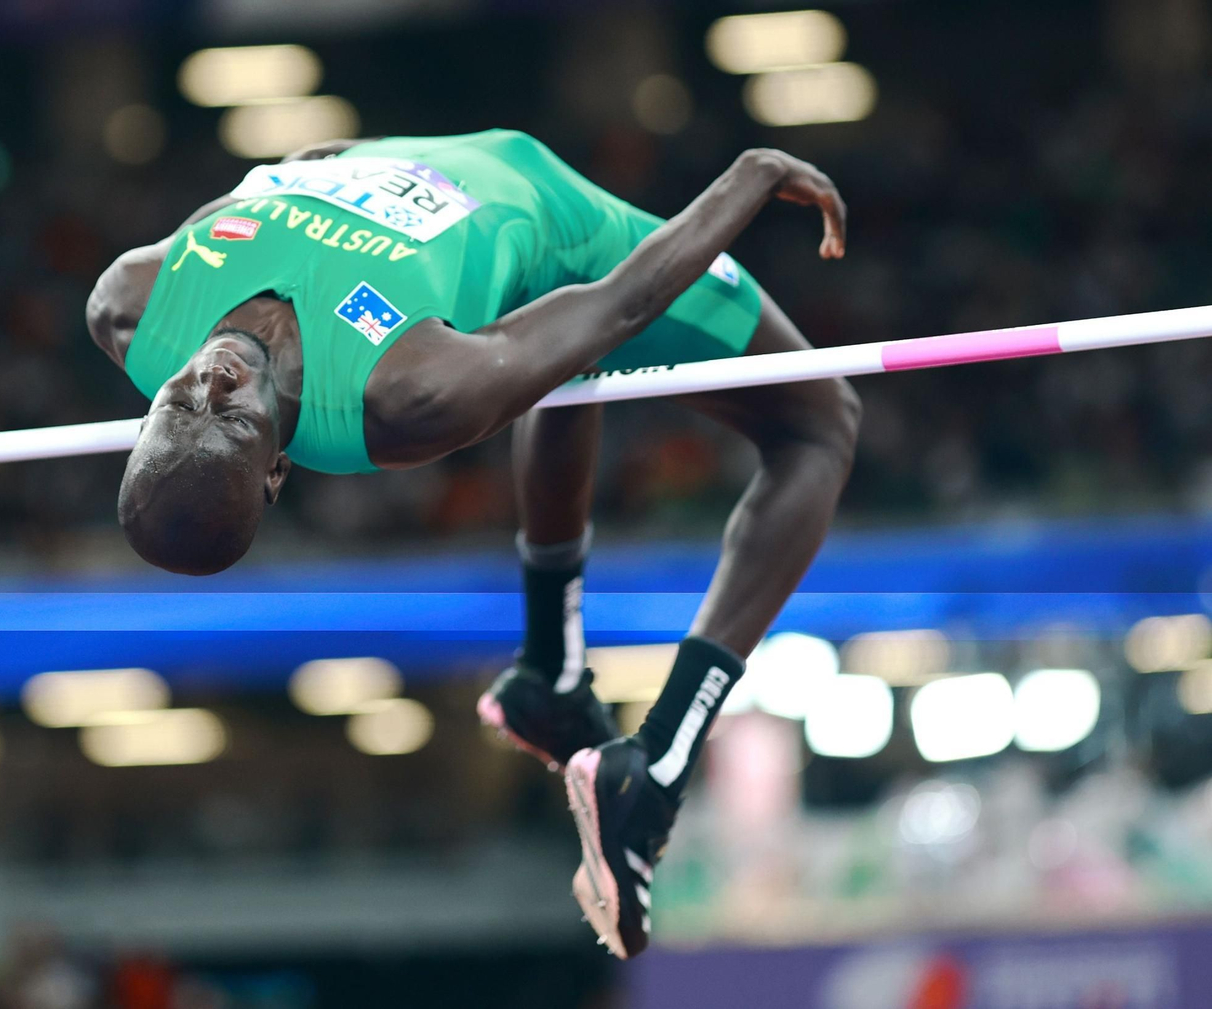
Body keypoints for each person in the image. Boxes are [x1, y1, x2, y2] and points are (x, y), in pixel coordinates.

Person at [86, 130, 860, 959]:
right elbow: (618, 306)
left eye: (179, 403)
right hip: (570, 226)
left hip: (420, 159)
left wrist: (324, 170)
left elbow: (243, 210)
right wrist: (751, 176)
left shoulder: (132, 306)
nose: (211, 380)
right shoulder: (407, 387)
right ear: (277, 468)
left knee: (545, 368)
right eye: (230, 415)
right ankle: (658, 766)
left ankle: (549, 678)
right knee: (821, 423)